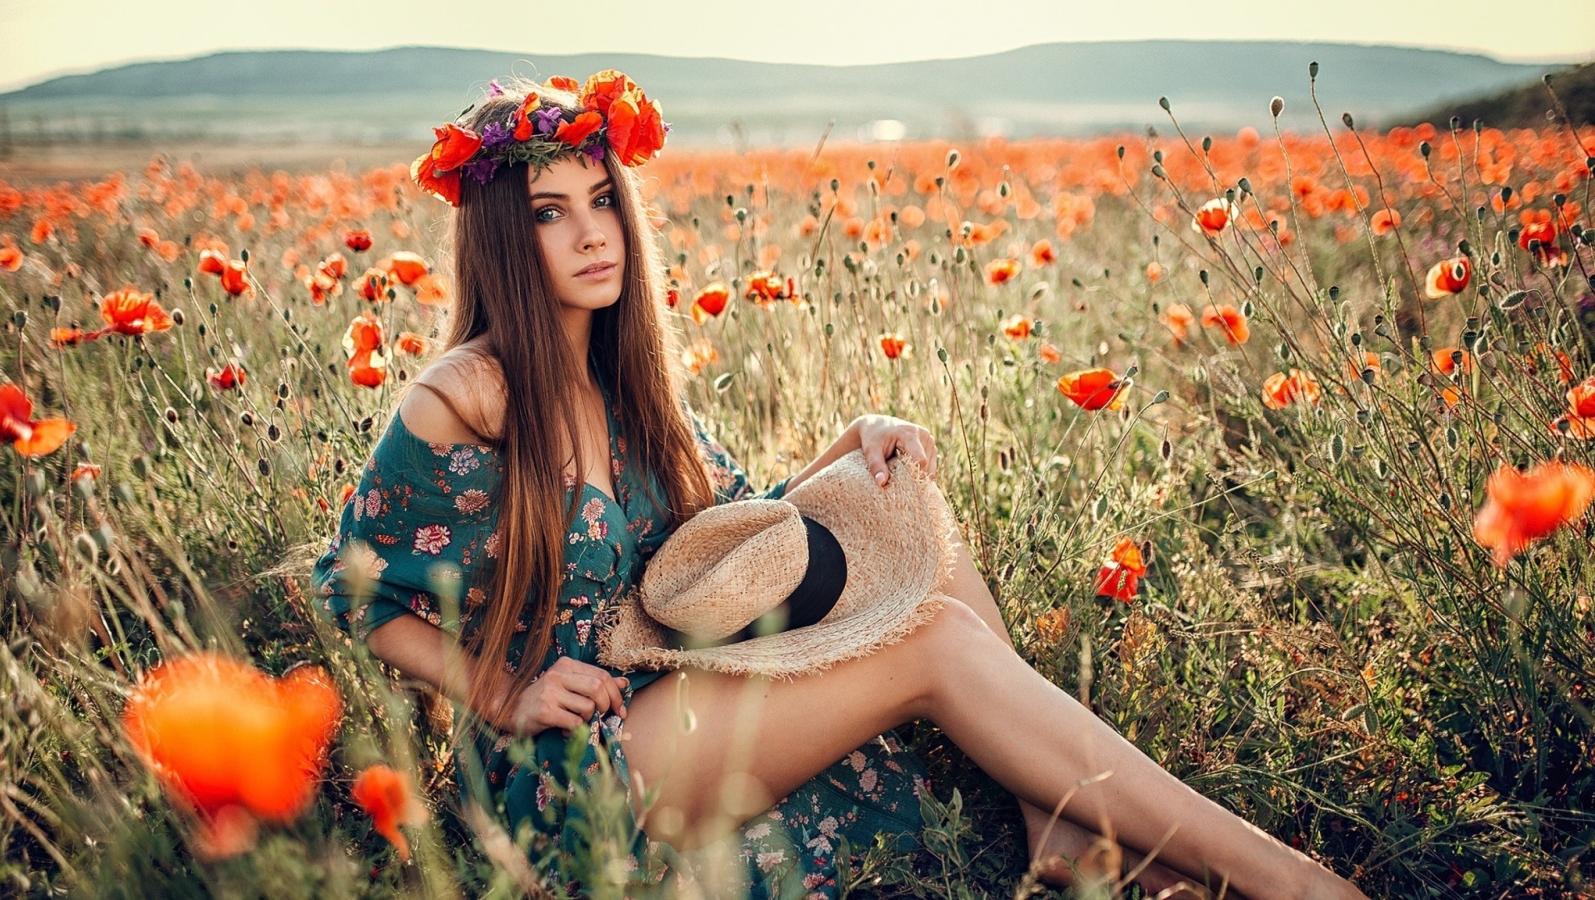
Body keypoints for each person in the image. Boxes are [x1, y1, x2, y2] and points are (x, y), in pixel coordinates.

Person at [312, 73, 1367, 899]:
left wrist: (850, 445)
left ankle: (1057, 823)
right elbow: (349, 588)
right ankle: (1289, 884)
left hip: (678, 692)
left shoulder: (619, 380)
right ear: (502, 233)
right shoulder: (470, 393)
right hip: (581, 772)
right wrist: (504, 693)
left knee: (903, 503)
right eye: (551, 212)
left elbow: (728, 540)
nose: (594, 233)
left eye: (603, 201)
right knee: (933, 636)